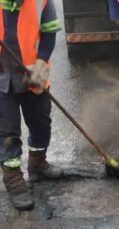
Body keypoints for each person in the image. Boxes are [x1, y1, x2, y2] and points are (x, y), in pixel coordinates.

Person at [0, 0, 62, 211]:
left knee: (41, 123)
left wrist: (41, 63)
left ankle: (37, 164)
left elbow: (49, 32)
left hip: (32, 73)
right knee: (7, 133)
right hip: (1, 78)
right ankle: (14, 181)